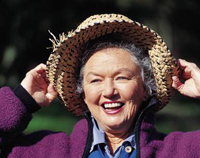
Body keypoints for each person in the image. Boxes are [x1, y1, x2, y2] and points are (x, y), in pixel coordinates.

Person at [0, 14, 200, 158]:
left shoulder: (180, 150)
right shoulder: (48, 151)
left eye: (122, 78)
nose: (109, 91)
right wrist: (22, 100)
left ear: (146, 88)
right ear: (82, 92)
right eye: (95, 80)